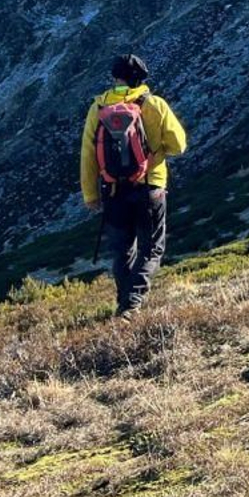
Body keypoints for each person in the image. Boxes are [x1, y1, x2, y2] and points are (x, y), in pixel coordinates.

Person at [80, 54, 187, 316]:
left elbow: (88, 154)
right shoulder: (155, 104)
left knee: (122, 251)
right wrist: (155, 154)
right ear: (141, 78)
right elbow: (179, 145)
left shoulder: (98, 108)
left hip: (113, 190)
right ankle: (132, 304)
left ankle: (123, 303)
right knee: (152, 248)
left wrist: (90, 194)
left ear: (114, 77)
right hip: (150, 187)